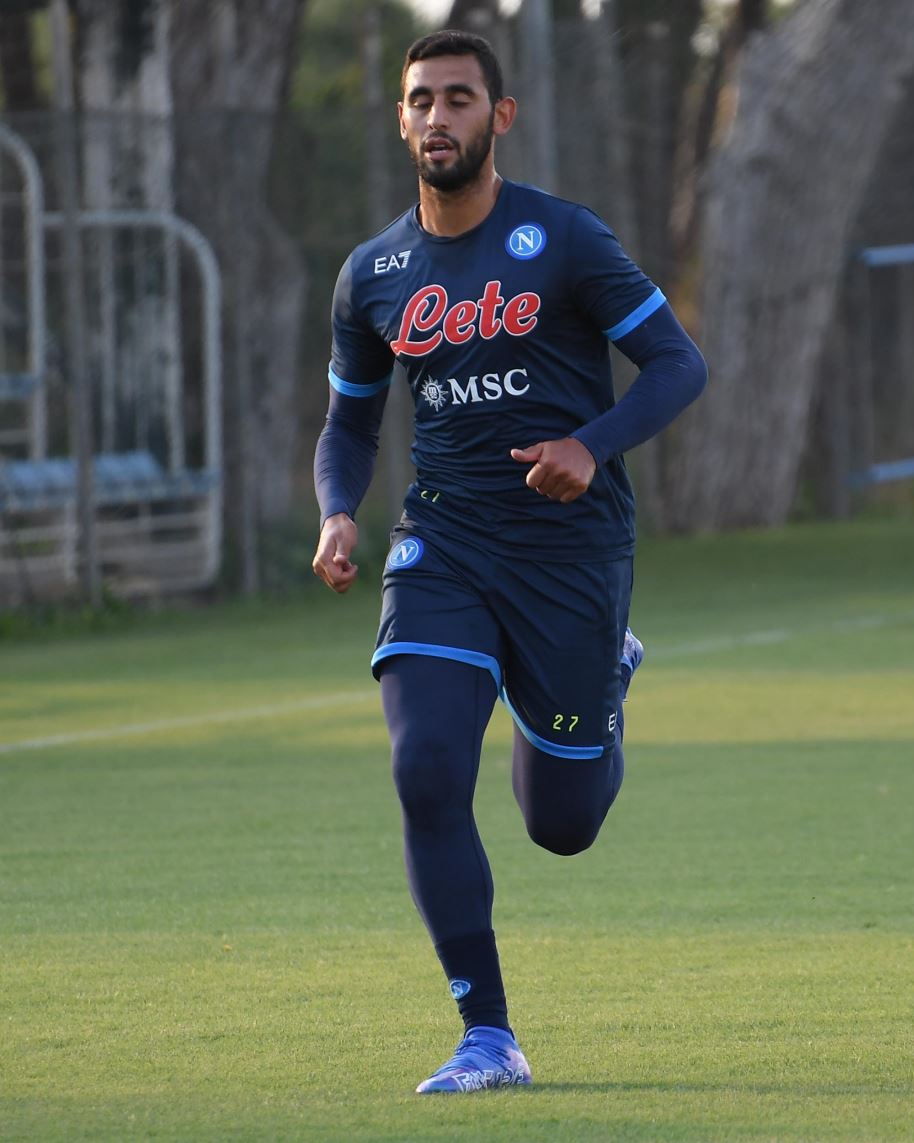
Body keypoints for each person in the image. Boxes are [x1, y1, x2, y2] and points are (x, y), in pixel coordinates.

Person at [311, 29, 707, 1093]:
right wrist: (340, 513)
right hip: (440, 542)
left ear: (500, 115)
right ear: (400, 121)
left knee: (562, 827)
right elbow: (349, 423)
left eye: (458, 98)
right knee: (425, 768)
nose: (437, 117)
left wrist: (591, 446)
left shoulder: (565, 240)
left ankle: (606, 675)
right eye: (420, 101)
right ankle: (487, 1035)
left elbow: (677, 363)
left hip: (569, 553)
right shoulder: (375, 274)